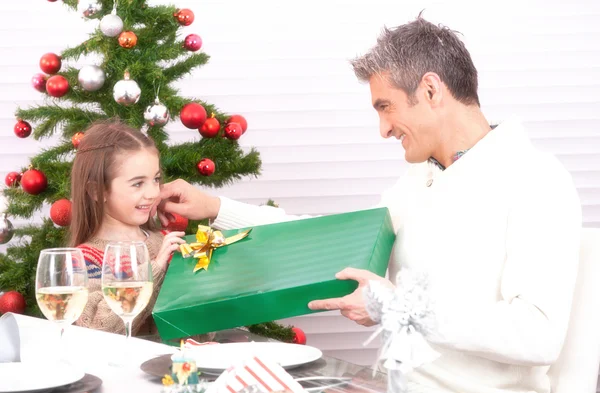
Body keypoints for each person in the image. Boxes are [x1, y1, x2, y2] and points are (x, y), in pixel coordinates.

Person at [154, 16, 582, 393]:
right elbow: (334, 238)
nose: (383, 129)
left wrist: (397, 306)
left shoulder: (535, 181)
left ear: (431, 90)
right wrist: (214, 207)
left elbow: (538, 333)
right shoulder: (422, 178)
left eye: (386, 106)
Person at [69, 120, 186, 335]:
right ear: (97, 191)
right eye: (138, 183)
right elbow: (96, 327)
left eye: (156, 179)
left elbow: (192, 323)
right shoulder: (86, 259)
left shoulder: (164, 241)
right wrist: (156, 268)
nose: (153, 193)